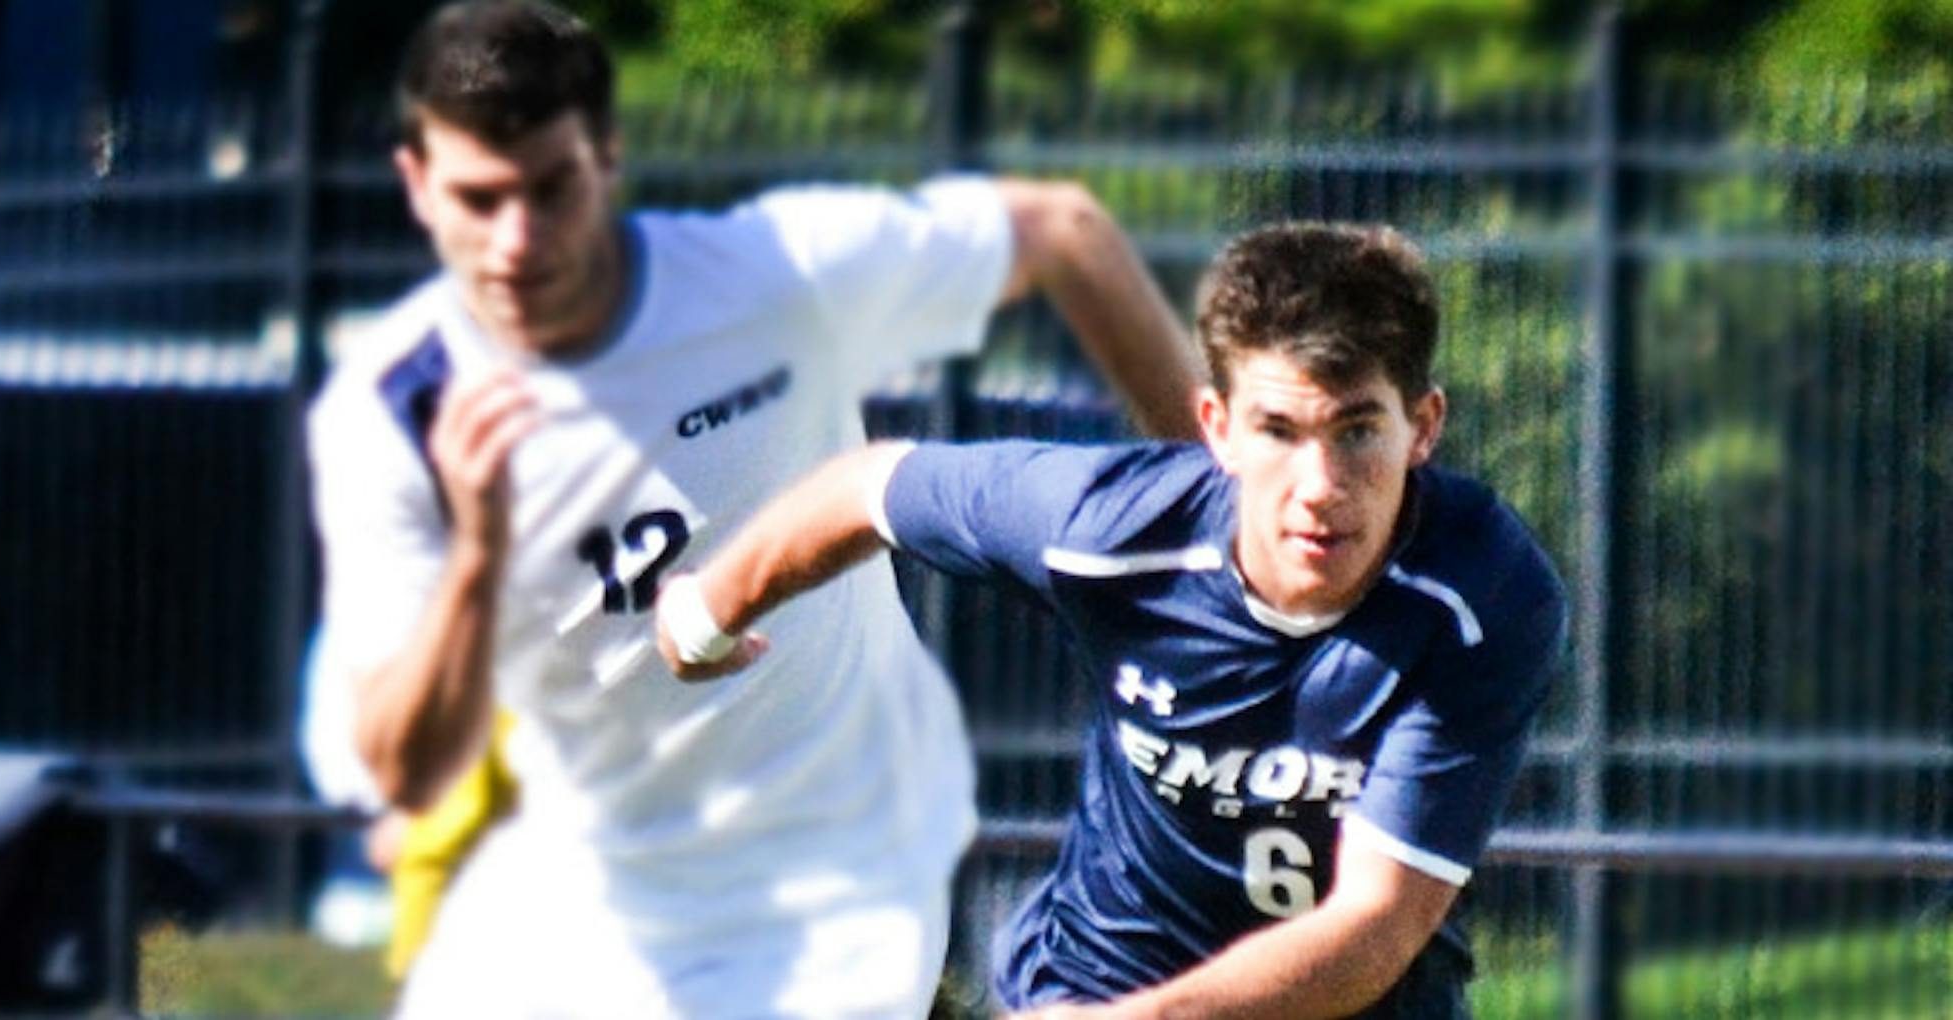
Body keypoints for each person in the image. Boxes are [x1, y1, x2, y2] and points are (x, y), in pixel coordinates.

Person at [303, 1, 1202, 1016]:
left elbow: (1062, 233)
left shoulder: (766, 280)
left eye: (550, 189)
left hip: (832, 873)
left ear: (606, 157)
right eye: (479, 197)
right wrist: (476, 555)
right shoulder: (388, 414)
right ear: (418, 186)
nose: (516, 240)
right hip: (583, 888)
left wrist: (1223, 519)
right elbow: (406, 767)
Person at [657, 222, 1567, 1018]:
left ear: (1425, 425)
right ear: (1215, 427)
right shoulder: (1104, 530)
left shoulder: (1481, 599)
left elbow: (1374, 925)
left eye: (1359, 430)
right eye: (1280, 431)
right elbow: (870, 486)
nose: (1320, 487)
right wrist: (705, 612)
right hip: (1095, 985)